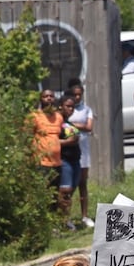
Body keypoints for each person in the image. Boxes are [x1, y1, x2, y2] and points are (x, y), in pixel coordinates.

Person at [31, 89, 67, 218]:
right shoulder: (35, 116)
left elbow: (59, 137)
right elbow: (26, 136)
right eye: (46, 96)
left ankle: (52, 223)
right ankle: (40, 222)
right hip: (41, 162)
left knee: (54, 195)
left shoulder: (59, 117)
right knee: (41, 194)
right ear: (41, 99)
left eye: (51, 96)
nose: (49, 98)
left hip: (56, 163)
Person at [65, 79, 96, 228]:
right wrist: (79, 126)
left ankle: (85, 216)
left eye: (80, 94)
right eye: (75, 95)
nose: (77, 97)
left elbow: (89, 127)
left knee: (82, 183)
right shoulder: (68, 108)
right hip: (70, 150)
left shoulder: (86, 109)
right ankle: (66, 218)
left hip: (83, 148)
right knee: (69, 185)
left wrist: (73, 125)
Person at [56, 94, 81, 230]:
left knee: (71, 192)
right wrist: (67, 142)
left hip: (75, 160)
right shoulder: (56, 122)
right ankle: (62, 220)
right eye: (68, 106)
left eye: (73, 107)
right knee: (64, 191)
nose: (71, 109)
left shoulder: (69, 122)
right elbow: (51, 141)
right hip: (64, 160)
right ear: (61, 106)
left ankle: (66, 217)